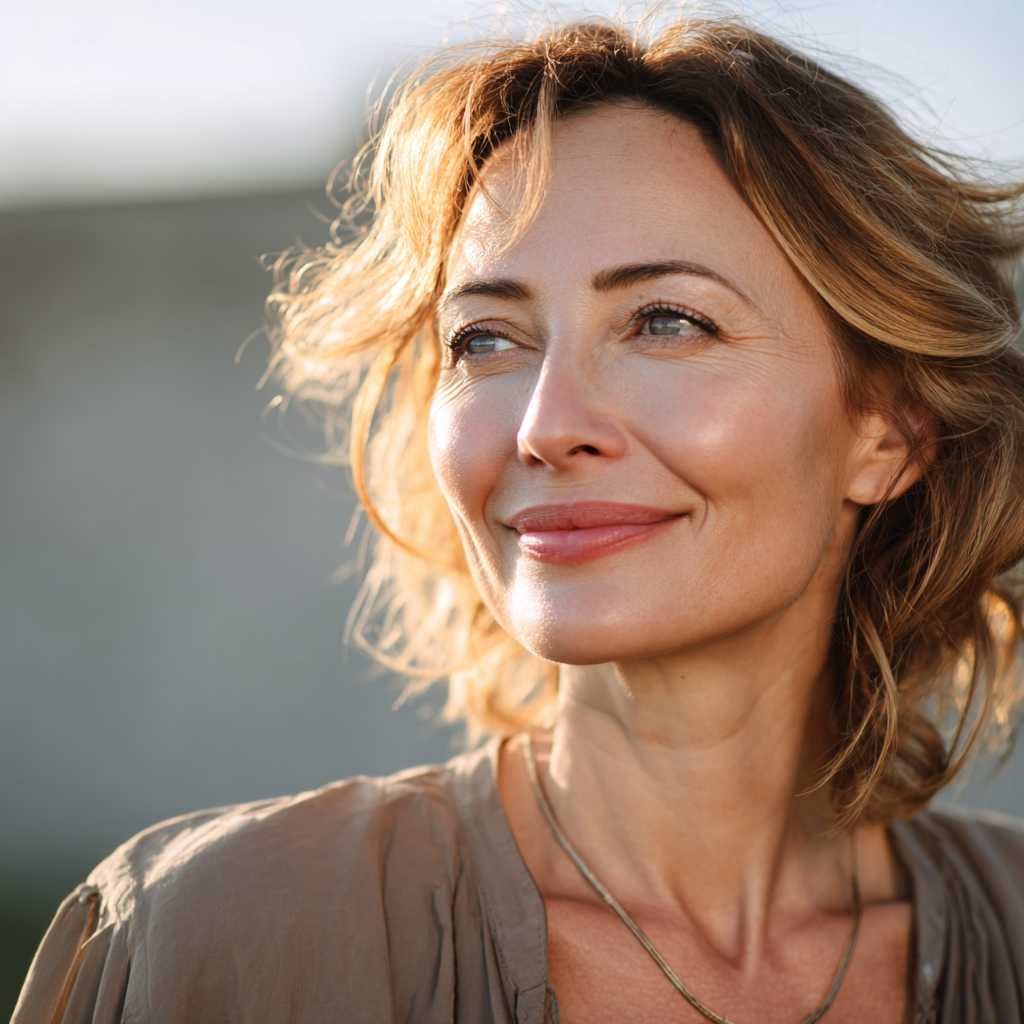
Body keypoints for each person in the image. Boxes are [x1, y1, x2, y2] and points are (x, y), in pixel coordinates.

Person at [13, 13, 1024, 1024]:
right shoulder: (214, 939)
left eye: (667, 321)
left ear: (890, 430)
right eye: (486, 338)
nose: (544, 426)